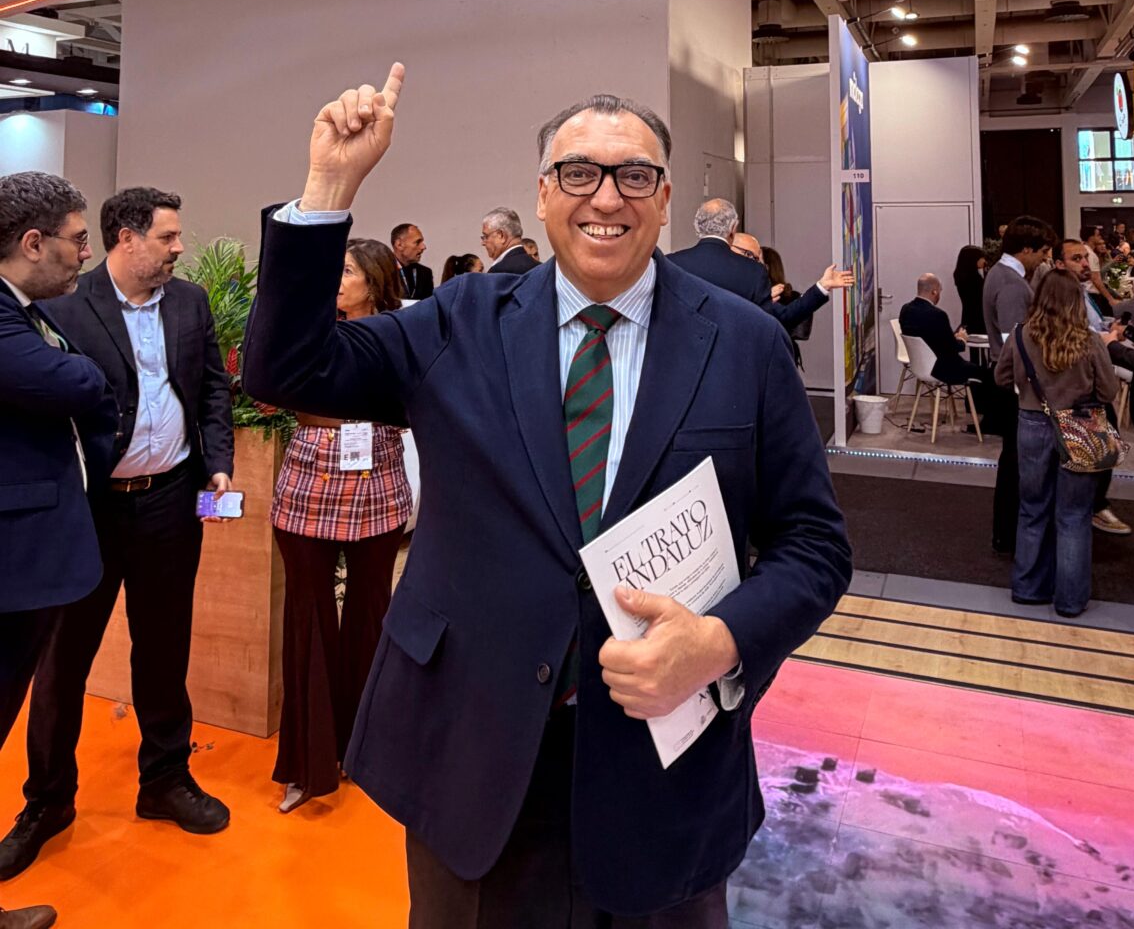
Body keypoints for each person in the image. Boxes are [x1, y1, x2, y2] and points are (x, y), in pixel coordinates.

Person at [242, 71, 851, 926]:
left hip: (662, 765)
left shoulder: (744, 343)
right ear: (542, 193)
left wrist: (718, 643)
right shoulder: (460, 319)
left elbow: (815, 547)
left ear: (666, 196)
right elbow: (287, 370)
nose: (606, 196)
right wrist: (328, 190)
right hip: (473, 750)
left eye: (633, 174)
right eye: (577, 172)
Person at [0, 188, 236, 881]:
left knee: (164, 649)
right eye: (167, 237)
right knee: (63, 662)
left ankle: (164, 780)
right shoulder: (60, 306)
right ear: (125, 239)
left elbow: (214, 391)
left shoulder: (190, 302)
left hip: (171, 501)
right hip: (91, 507)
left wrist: (217, 463)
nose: (178, 248)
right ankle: (47, 801)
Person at [0, 173, 118, 929]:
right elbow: (76, 378)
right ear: (33, 242)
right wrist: (91, 379)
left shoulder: (29, 313)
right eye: (77, 238)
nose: (86, 251)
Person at [270, 237, 412, 814]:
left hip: (378, 481)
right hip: (308, 481)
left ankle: (369, 746)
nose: (337, 280)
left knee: (372, 614)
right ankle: (307, 763)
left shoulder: (402, 334)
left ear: (374, 281)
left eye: (347, 271)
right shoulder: (312, 330)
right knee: (308, 617)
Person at [995, 271, 1118, 618]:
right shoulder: (1089, 340)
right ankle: (1070, 600)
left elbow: (1001, 378)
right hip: (1080, 426)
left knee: (1032, 509)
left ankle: (1028, 588)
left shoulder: (1021, 335)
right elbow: (1109, 391)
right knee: (1074, 516)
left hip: (1032, 424)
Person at [982, 214, 1057, 556]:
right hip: (1015, 387)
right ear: (1026, 248)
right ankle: (1011, 537)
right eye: (1042, 251)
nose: (1045, 258)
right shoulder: (1011, 283)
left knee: (1014, 462)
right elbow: (1018, 343)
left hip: (1011, 381)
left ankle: (1008, 534)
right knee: (1016, 464)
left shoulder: (1002, 274)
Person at [667, 199, 853, 332]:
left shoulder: (670, 264)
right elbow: (784, 319)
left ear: (697, 226)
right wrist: (822, 287)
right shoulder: (752, 272)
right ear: (733, 229)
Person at [1053, 240, 1131, 539]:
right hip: (1082, 391)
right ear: (1059, 264)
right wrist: (1105, 339)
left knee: (1105, 450)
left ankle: (1092, 505)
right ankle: (1090, 508)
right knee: (1095, 455)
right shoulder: (1063, 299)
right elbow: (1076, 337)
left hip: (1090, 385)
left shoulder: (1084, 296)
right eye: (1077, 258)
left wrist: (1109, 330)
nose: (1085, 263)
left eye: (1086, 258)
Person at [899, 274, 987, 404]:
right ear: (934, 291)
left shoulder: (905, 310)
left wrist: (951, 338)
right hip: (942, 368)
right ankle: (984, 413)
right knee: (987, 373)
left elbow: (930, 338)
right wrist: (962, 339)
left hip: (918, 366)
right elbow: (952, 348)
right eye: (939, 291)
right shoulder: (938, 315)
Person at [480, 208, 537, 275]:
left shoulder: (498, 272)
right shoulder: (540, 268)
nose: (483, 243)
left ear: (501, 236)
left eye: (486, 236)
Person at [391, 223, 433, 300]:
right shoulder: (382, 272)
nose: (423, 247)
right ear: (399, 244)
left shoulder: (425, 273)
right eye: (417, 242)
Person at [952, 246, 987, 335]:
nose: (984, 261)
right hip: (979, 319)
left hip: (968, 317)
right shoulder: (974, 280)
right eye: (981, 258)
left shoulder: (960, 277)